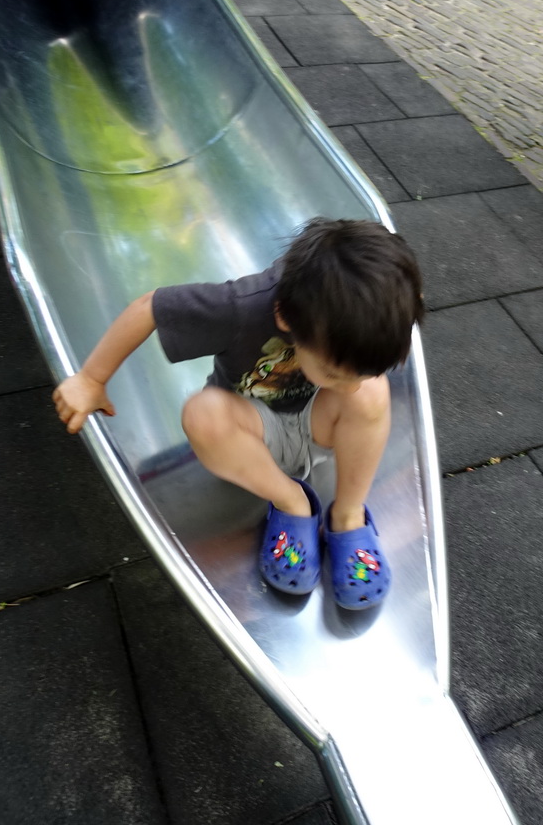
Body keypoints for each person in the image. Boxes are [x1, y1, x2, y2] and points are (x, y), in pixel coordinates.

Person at [52, 218, 423, 610]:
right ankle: (291, 502)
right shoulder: (242, 307)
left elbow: (356, 379)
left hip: (321, 425)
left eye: (357, 373)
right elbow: (149, 307)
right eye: (332, 372)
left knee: (370, 394)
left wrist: (355, 380)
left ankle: (347, 515)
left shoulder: (366, 328)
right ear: (286, 318)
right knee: (202, 412)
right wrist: (92, 378)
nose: (347, 384)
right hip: (253, 434)